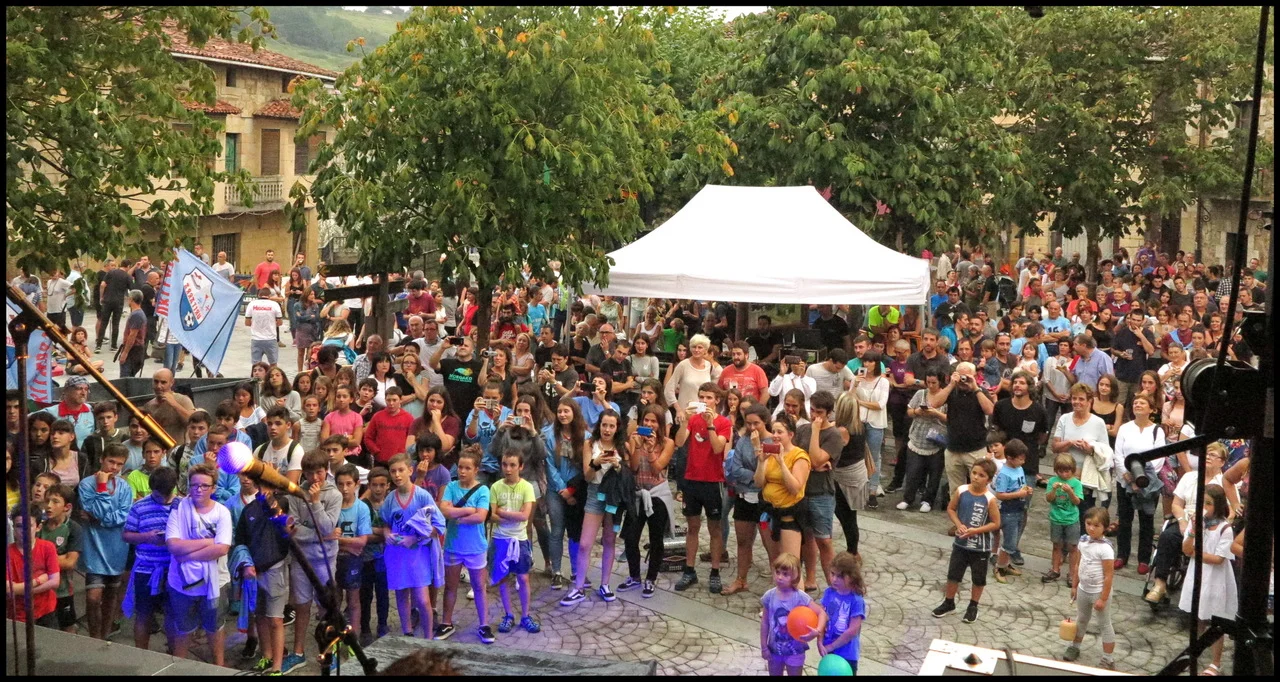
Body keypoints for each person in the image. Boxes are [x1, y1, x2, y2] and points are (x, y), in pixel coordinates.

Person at [164, 464, 232, 666]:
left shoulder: (222, 513)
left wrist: (187, 556)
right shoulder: (179, 510)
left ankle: (218, 667)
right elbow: (173, 545)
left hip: (215, 581)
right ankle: (178, 667)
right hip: (181, 582)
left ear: (213, 488)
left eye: (204, 486)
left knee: (215, 627)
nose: (198, 490)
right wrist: (209, 542)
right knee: (183, 629)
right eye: (194, 485)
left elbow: (222, 549)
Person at [280, 450, 341, 673]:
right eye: (310, 473)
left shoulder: (334, 495)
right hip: (302, 560)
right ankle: (298, 653)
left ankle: (329, 652)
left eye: (320, 472)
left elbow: (327, 526)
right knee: (302, 605)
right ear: (303, 473)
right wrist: (322, 536)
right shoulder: (295, 494)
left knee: (327, 608)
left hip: (325, 561)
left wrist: (316, 503)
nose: (315, 478)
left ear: (326, 470)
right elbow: (294, 530)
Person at [1146, 443, 1229, 604]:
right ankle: (1159, 584)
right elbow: (1176, 504)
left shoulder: (1225, 483)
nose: (1208, 457)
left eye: (1213, 455)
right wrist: (1182, 521)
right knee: (1167, 537)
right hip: (1187, 519)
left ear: (1222, 462)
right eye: (1206, 453)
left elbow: (1230, 511)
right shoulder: (1189, 477)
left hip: (1211, 525)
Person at [561, 410, 627, 606]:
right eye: (604, 425)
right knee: (585, 543)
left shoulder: (622, 446)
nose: (607, 429)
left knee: (609, 539)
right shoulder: (590, 444)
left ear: (617, 428)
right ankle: (579, 587)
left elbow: (629, 473)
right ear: (599, 425)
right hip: (595, 492)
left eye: (611, 426)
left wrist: (618, 466)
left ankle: (605, 584)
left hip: (614, 495)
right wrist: (596, 463)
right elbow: (587, 476)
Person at [672, 383, 732, 593]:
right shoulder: (693, 419)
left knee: (715, 528)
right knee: (692, 527)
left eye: (709, 398)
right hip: (692, 479)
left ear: (717, 400)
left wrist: (710, 425)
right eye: (702, 397)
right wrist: (685, 421)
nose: (705, 401)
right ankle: (689, 570)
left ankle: (715, 572)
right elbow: (679, 442)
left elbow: (717, 448)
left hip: (713, 481)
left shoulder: (724, 422)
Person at [932, 459, 1000, 624]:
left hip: (980, 548)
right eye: (974, 473)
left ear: (989, 480)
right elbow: (951, 508)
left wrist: (976, 530)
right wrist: (958, 524)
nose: (976, 477)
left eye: (981, 475)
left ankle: (973, 605)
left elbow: (996, 523)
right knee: (953, 575)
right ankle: (949, 602)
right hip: (960, 544)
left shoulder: (989, 499)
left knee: (978, 578)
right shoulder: (962, 491)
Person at [1179, 485, 1236, 677]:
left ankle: (1216, 662)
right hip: (1197, 574)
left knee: (1214, 620)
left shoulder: (1225, 529)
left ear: (1217, 505)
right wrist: (1193, 532)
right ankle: (1193, 655)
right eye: (1202, 502)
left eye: (1208, 503)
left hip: (1215, 578)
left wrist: (1195, 553)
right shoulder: (1196, 523)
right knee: (1198, 617)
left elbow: (1219, 558)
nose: (1204, 507)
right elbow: (1186, 548)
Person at [77, 443, 133, 639]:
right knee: (93, 598)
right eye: (111, 462)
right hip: (94, 548)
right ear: (102, 459)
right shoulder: (86, 484)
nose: (114, 467)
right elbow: (99, 511)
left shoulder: (125, 487)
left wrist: (98, 519)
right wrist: (101, 487)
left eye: (119, 464)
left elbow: (123, 516)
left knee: (111, 597)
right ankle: (94, 638)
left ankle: (105, 635)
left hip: (117, 549)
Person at [439, 447, 493, 643]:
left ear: (476, 469)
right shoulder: (451, 487)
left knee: (479, 587)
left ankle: (484, 624)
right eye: (460, 467)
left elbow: (481, 516)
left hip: (475, 547)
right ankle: (446, 622)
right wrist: (468, 510)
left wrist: (457, 513)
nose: (462, 471)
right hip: (453, 545)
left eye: (467, 468)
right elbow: (444, 510)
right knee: (450, 587)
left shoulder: (483, 490)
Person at [722, 404, 775, 596]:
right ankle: (741, 579)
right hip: (744, 496)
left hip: (764, 500)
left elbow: (770, 473)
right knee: (743, 541)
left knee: (771, 545)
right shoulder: (743, 441)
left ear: (765, 421)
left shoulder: (772, 441)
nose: (752, 427)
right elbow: (735, 469)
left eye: (756, 423)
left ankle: (777, 584)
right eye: (749, 423)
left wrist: (756, 450)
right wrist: (756, 476)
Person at [122, 466, 178, 650]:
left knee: (173, 615)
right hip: (146, 569)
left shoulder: (182, 506)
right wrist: (146, 537)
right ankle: (141, 654)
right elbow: (126, 535)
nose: (161, 499)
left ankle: (174, 653)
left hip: (174, 569)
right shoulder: (139, 507)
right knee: (143, 614)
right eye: (157, 494)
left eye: (165, 495)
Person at [1111, 391, 1165, 573]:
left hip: (1148, 483)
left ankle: (1144, 559)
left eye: (1142, 403)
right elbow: (1118, 454)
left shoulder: (1157, 431)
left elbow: (1159, 457)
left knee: (1146, 520)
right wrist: (1127, 475)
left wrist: (1142, 478)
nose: (1138, 405)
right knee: (1124, 519)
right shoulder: (1125, 428)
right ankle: (1122, 555)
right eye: (1135, 403)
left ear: (1151, 409)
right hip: (1125, 480)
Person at [489, 451, 541, 635]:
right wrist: (509, 515)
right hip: (500, 538)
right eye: (505, 464)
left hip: (519, 539)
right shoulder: (496, 487)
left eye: (512, 465)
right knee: (503, 577)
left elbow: (524, 515)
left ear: (521, 466)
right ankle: (508, 614)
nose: (508, 469)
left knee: (523, 577)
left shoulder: (527, 487)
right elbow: (491, 515)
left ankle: (525, 615)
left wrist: (502, 513)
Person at [1061, 507, 1118, 668]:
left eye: (1096, 525)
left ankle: (1108, 657)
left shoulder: (1105, 548)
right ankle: (1075, 646)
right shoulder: (1083, 542)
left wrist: (1103, 598)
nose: (1091, 528)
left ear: (1104, 527)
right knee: (1081, 618)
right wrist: (1074, 586)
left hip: (1098, 591)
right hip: (1083, 589)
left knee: (1104, 623)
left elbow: (1108, 576)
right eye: (1088, 523)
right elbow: (1078, 564)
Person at [929, 362, 994, 500]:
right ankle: (957, 513)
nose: (964, 380)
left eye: (967, 376)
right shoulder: (952, 390)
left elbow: (990, 410)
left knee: (980, 487)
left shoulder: (981, 391)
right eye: (961, 376)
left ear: (974, 375)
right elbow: (934, 403)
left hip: (975, 449)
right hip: (953, 449)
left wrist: (975, 388)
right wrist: (951, 384)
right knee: (955, 490)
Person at [759, 553, 819, 676]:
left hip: (796, 650)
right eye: (777, 572)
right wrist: (764, 647)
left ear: (795, 577)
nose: (780, 577)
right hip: (774, 650)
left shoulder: (800, 597)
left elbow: (820, 612)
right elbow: (765, 623)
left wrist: (816, 631)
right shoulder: (769, 596)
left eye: (785, 574)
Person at [898, 370, 948, 513]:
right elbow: (909, 411)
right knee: (913, 471)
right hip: (917, 437)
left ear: (940, 382)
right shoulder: (920, 394)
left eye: (934, 383)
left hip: (936, 440)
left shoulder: (946, 397)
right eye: (928, 382)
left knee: (935, 473)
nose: (931, 385)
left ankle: (928, 500)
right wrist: (917, 412)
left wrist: (936, 413)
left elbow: (950, 419)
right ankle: (908, 498)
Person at [6, 503, 62, 627]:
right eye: (19, 526)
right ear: (13, 528)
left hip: (46, 611)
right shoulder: (8, 553)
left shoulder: (48, 547)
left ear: (38, 527)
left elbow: (54, 581)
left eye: (28, 526)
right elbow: (9, 589)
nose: (24, 531)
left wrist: (21, 590)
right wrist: (39, 580)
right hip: (18, 614)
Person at [334, 464, 372, 641]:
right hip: (335, 559)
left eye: (349, 484)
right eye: (340, 484)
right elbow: (325, 537)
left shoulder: (361, 508)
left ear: (357, 484)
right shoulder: (333, 506)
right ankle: (334, 637)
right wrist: (349, 544)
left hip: (352, 560)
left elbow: (362, 541)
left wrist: (337, 541)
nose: (344, 489)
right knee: (334, 600)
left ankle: (353, 639)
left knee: (353, 600)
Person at [815, 552, 867, 675]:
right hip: (828, 649)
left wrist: (832, 646)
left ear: (852, 577)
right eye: (832, 573)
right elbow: (822, 617)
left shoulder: (856, 600)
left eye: (840, 576)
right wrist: (819, 641)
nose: (834, 579)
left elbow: (852, 630)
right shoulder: (829, 593)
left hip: (847, 654)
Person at [991, 439, 1034, 583]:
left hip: (1019, 508)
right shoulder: (1004, 473)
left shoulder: (1019, 468)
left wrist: (1026, 489)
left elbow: (1021, 484)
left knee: (1014, 540)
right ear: (1010, 458)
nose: (1023, 462)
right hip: (1008, 511)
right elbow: (1000, 494)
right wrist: (1018, 494)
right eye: (1020, 459)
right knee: (1009, 542)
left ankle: (1005, 563)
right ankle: (999, 567)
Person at [1041, 454, 1083, 584]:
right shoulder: (1053, 481)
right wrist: (1053, 490)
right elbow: (1049, 499)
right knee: (1056, 545)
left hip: (1071, 519)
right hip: (1056, 518)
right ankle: (1055, 569)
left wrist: (1070, 492)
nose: (1064, 474)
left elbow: (1077, 502)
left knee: (1073, 547)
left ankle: (1072, 573)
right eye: (1060, 471)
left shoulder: (1076, 483)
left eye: (1067, 471)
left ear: (1072, 470)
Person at [664, 334, 723, 410]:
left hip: (702, 412)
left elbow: (715, 388)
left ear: (705, 350)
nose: (696, 350)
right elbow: (669, 389)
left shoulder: (709, 366)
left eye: (700, 347)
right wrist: (678, 409)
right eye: (694, 347)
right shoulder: (683, 365)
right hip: (685, 411)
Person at [363, 387, 415, 467]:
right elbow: (368, 437)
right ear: (385, 400)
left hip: (400, 462)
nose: (391, 403)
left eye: (394, 400)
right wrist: (376, 451)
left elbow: (412, 439)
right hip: (380, 461)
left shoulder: (408, 418)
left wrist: (405, 453)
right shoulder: (377, 416)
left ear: (400, 400)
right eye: (388, 400)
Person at [118, 290, 148, 377]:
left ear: (131, 299)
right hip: (137, 350)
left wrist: (125, 352)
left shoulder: (136, 315)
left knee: (125, 378)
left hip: (134, 350)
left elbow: (132, 335)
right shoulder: (138, 313)